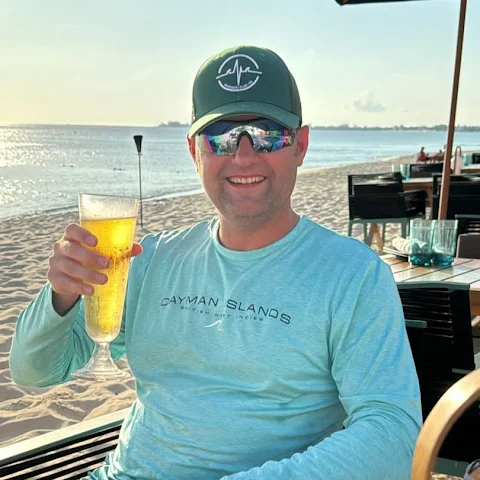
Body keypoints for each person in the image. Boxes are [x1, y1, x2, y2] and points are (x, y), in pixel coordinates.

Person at [10, 45, 422, 479]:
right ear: (194, 151)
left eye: (266, 134)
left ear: (300, 145)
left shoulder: (352, 275)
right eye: (220, 137)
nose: (243, 156)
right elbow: (34, 372)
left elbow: (392, 433)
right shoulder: (150, 260)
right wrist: (61, 295)